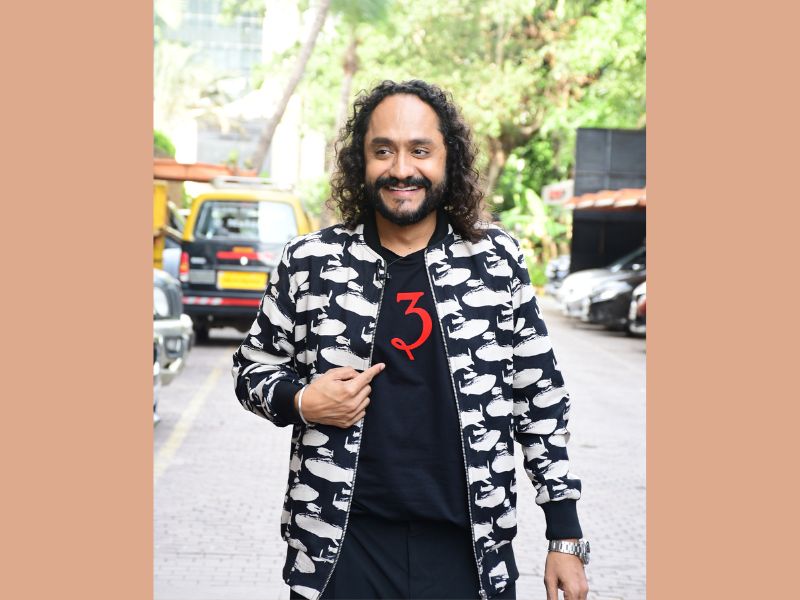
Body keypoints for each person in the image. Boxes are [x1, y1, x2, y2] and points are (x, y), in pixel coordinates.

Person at [232, 80, 589, 600]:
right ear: (361, 161)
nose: (401, 169)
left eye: (420, 150)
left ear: (449, 158)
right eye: (383, 151)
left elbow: (539, 401)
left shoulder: (496, 262)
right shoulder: (309, 262)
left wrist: (565, 534)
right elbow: (251, 369)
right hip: (340, 552)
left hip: (469, 553)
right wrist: (303, 400)